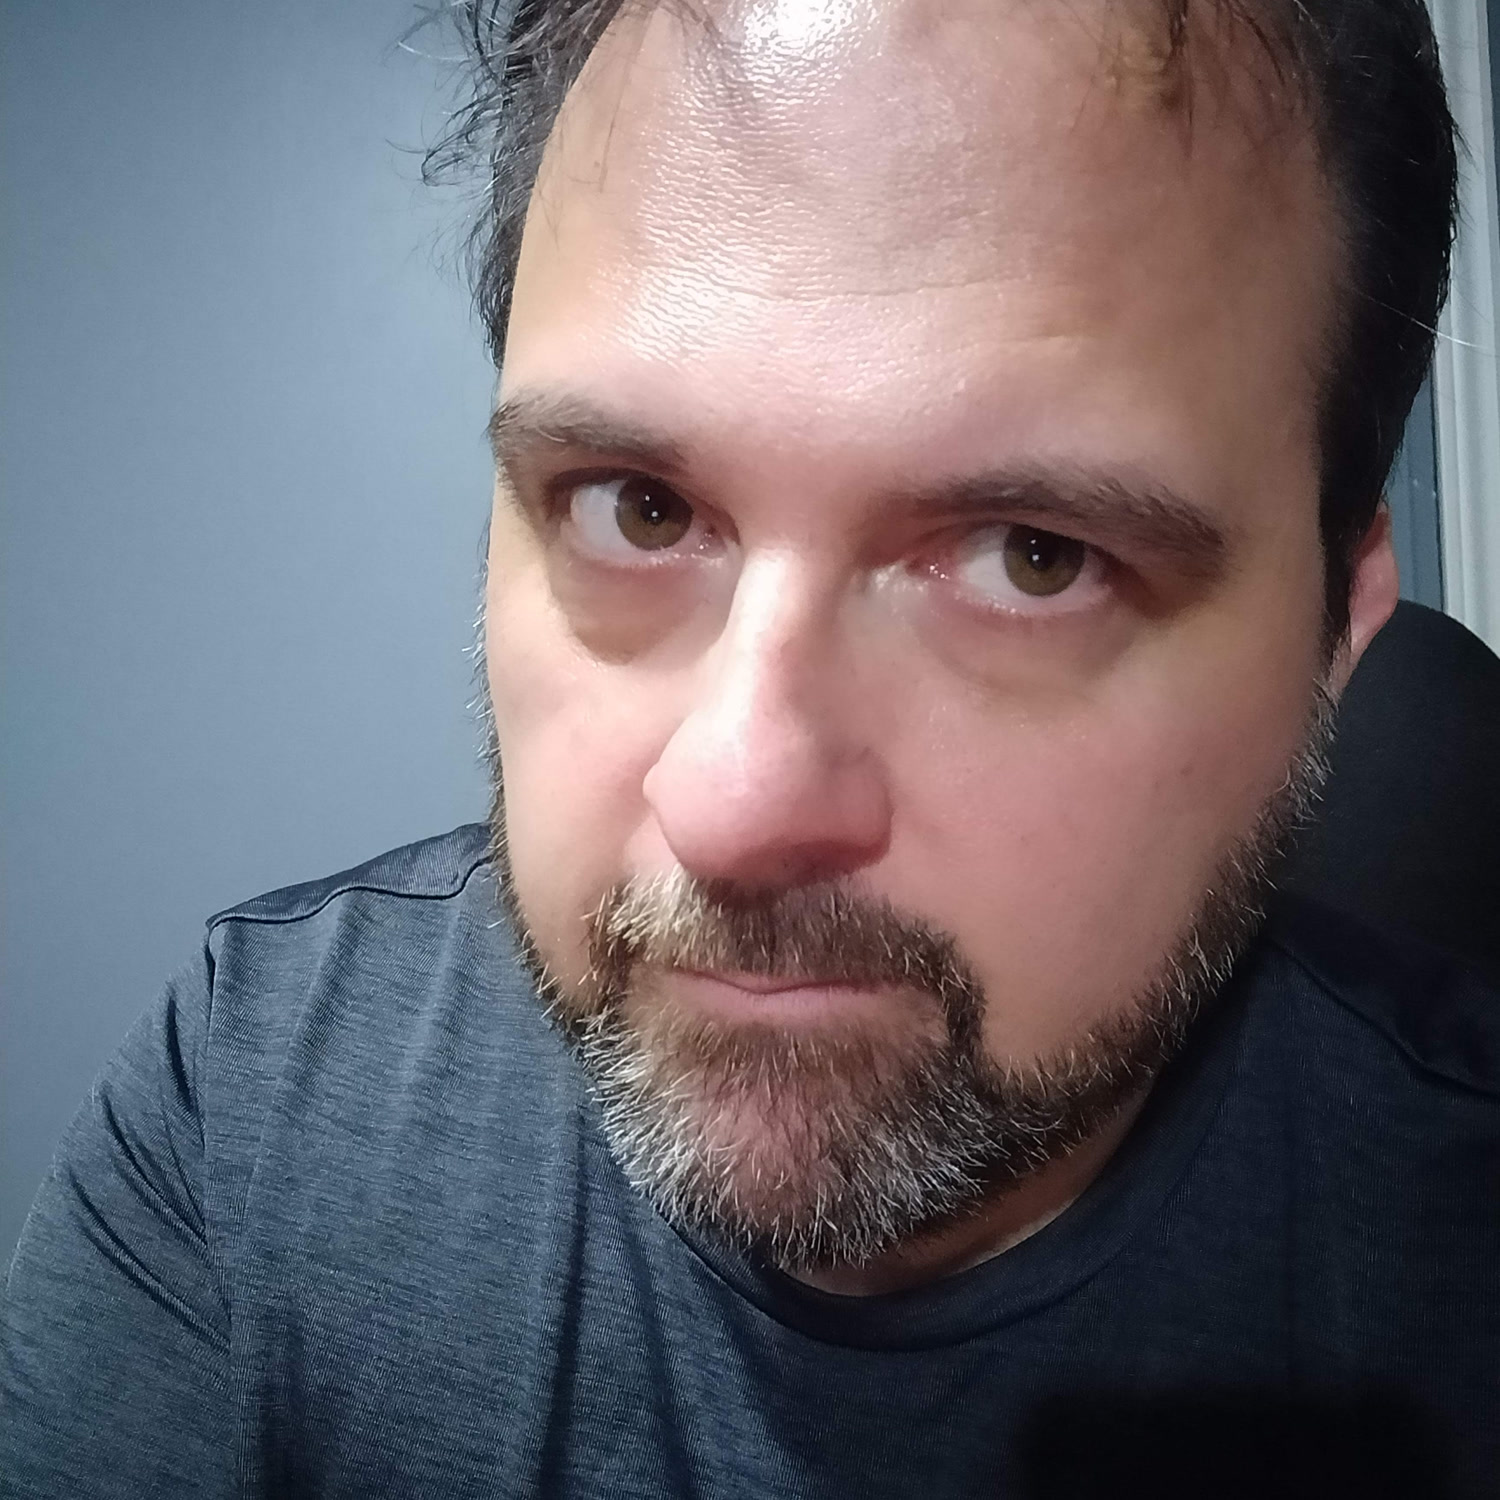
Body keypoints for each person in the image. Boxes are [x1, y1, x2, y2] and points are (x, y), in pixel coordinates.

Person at [3, 0, 1496, 1495]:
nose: (732, 803)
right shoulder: (254, 1103)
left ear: (1338, 626)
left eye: (1034, 556)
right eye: (638, 507)